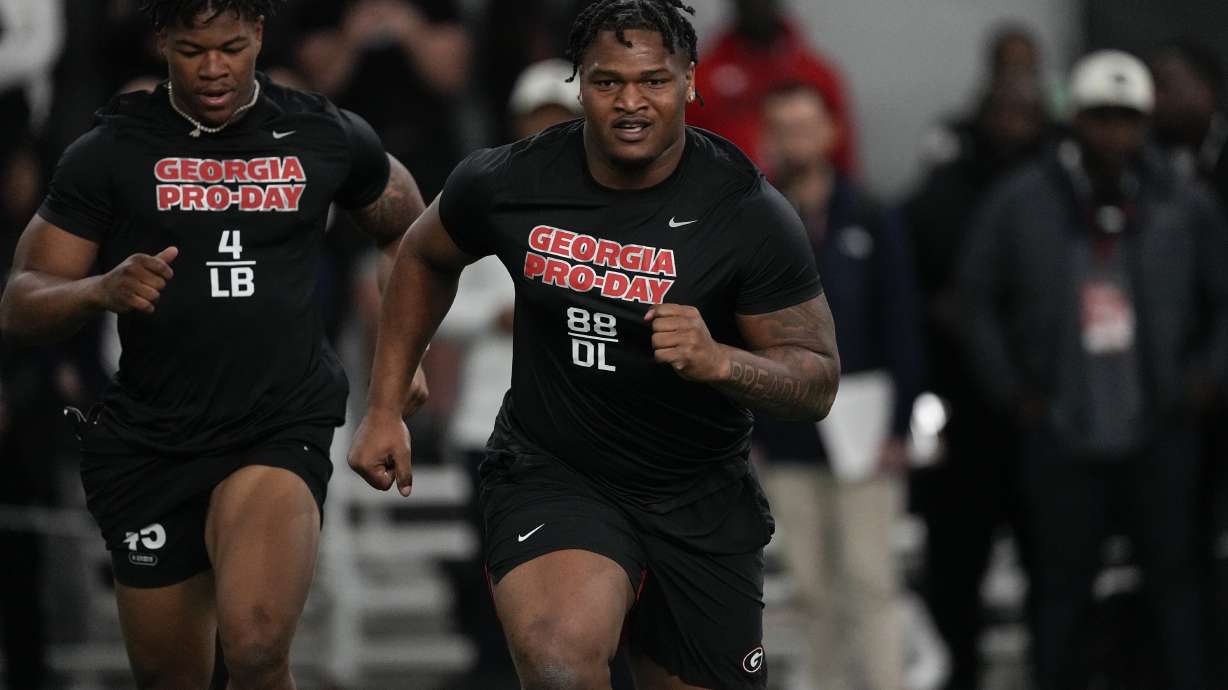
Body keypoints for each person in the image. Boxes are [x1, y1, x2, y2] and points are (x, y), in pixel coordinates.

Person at [347, 1, 841, 688]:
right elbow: (424, 256)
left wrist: (720, 360)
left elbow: (816, 379)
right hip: (556, 472)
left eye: (654, 81)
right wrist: (384, 403)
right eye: (608, 82)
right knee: (559, 661)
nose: (631, 103)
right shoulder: (510, 180)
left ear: (691, 81)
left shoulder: (746, 211)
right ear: (579, 83)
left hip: (696, 492)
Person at [0, 1, 428, 688]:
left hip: (277, 421)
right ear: (162, 40)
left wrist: (399, 361)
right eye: (194, 50)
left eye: (231, 47)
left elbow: (410, 234)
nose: (214, 69)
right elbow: (21, 299)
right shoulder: (112, 150)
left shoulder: (320, 132)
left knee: (256, 647)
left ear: (258, 35)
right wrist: (97, 291)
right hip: (150, 438)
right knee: (172, 676)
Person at [960, 50, 1228, 690]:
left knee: (1174, 589)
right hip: (1063, 429)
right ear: (1074, 119)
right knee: (1060, 594)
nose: (1115, 133)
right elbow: (975, 298)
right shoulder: (1022, 199)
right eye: (1100, 118)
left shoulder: (1181, 201)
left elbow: (1223, 300)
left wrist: (1205, 377)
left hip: (1159, 428)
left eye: (1127, 118)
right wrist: (1013, 390)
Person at [754, 82, 924, 690]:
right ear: (770, 137)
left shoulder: (871, 216)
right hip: (788, 426)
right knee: (813, 585)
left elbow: (902, 322)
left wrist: (902, 423)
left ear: (830, 133)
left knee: (871, 579)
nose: (797, 139)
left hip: (865, 426)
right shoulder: (758, 219)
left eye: (807, 125)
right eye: (785, 127)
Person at [904, 72, 1053, 690]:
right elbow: (922, 297)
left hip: (1044, 412)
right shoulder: (941, 192)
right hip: (963, 411)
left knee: (1053, 568)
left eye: (1026, 111)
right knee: (955, 571)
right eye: (1003, 109)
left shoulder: (1062, 190)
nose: (1014, 123)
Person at [687, 0, 857, 174]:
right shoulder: (702, 80)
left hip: (807, 196)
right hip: (722, 195)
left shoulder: (816, 76)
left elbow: (843, 160)